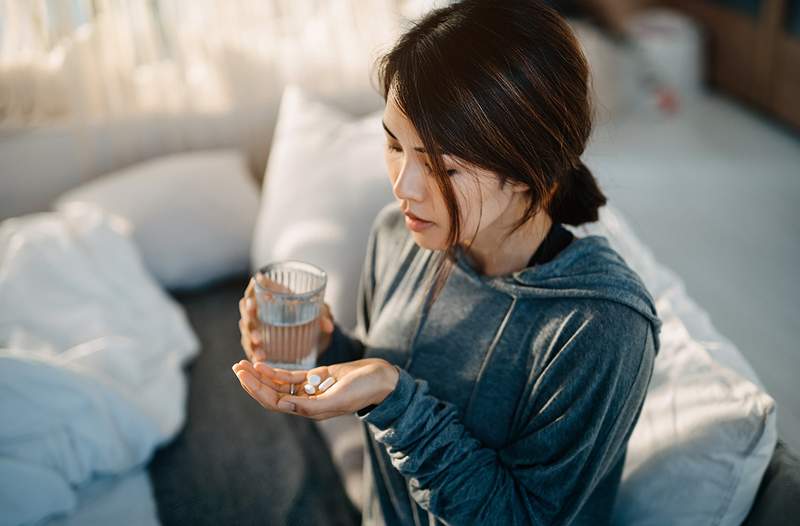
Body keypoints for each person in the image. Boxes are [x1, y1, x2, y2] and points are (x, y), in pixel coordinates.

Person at [232, 1, 662, 524]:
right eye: (394, 146)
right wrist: (327, 346)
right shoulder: (396, 236)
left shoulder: (601, 326)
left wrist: (394, 398)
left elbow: (522, 516)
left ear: (527, 169)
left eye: (441, 167)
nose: (402, 186)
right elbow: (389, 370)